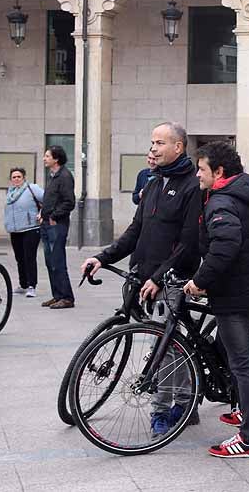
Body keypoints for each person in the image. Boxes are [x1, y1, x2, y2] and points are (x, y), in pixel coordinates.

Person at [81, 122, 203, 436]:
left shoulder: (192, 185)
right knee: (177, 345)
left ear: (178, 147)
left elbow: (189, 242)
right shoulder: (152, 182)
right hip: (143, 276)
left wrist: (162, 277)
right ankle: (188, 400)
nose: (153, 148)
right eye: (152, 142)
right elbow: (135, 232)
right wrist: (102, 257)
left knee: (164, 345)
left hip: (174, 280)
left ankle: (162, 411)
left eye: (160, 143)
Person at [184, 141, 249, 459]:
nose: (197, 174)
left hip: (234, 293)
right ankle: (247, 411)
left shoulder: (222, 201)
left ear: (219, 171)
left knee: (243, 364)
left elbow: (225, 246)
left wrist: (200, 281)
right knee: (232, 355)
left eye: (201, 169)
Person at [39, 145, 76, 309]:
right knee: (49, 261)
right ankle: (57, 295)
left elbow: (69, 202)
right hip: (46, 223)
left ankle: (67, 297)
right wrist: (42, 213)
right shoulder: (53, 176)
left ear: (56, 159)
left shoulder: (65, 176)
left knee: (58, 261)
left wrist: (54, 216)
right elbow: (51, 199)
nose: (44, 158)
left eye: (47, 156)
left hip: (57, 224)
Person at [3, 167, 43, 298]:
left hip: (31, 228)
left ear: (24, 178)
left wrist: (41, 213)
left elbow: (47, 200)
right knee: (19, 258)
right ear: (10, 179)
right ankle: (23, 284)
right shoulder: (10, 192)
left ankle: (32, 286)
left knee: (29, 258)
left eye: (19, 177)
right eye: (14, 177)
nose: (16, 179)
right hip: (15, 230)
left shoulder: (32, 188)